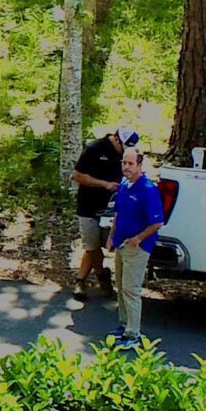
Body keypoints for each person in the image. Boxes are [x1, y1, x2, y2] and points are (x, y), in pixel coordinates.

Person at [106, 143, 166, 347]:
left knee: (131, 290)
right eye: (124, 162)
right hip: (121, 244)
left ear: (140, 165)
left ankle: (133, 335)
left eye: (131, 163)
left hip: (137, 248)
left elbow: (157, 222)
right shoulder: (124, 184)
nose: (126, 167)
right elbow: (118, 213)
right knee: (121, 287)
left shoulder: (148, 190)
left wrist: (139, 238)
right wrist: (111, 238)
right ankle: (123, 325)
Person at [71, 126, 135, 298]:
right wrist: (105, 184)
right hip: (88, 206)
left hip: (111, 208)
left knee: (101, 245)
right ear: (115, 139)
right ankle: (98, 276)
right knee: (91, 245)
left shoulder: (125, 156)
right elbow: (77, 175)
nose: (124, 152)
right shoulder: (94, 149)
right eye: (123, 147)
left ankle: (82, 279)